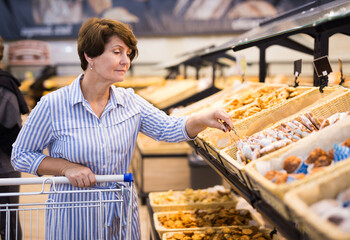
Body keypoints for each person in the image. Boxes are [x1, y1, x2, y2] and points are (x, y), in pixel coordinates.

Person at [11, 18, 234, 239]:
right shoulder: (53, 105)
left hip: (120, 215)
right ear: (90, 56)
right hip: (74, 217)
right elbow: (20, 155)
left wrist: (202, 118)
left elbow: (169, 128)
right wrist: (66, 168)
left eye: (128, 54)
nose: (125, 61)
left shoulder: (130, 102)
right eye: (117, 52)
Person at [0, 36, 28, 240]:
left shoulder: (4, 87)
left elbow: (12, 136)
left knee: (7, 222)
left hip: (4, 170)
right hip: (6, 168)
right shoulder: (6, 86)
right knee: (8, 221)